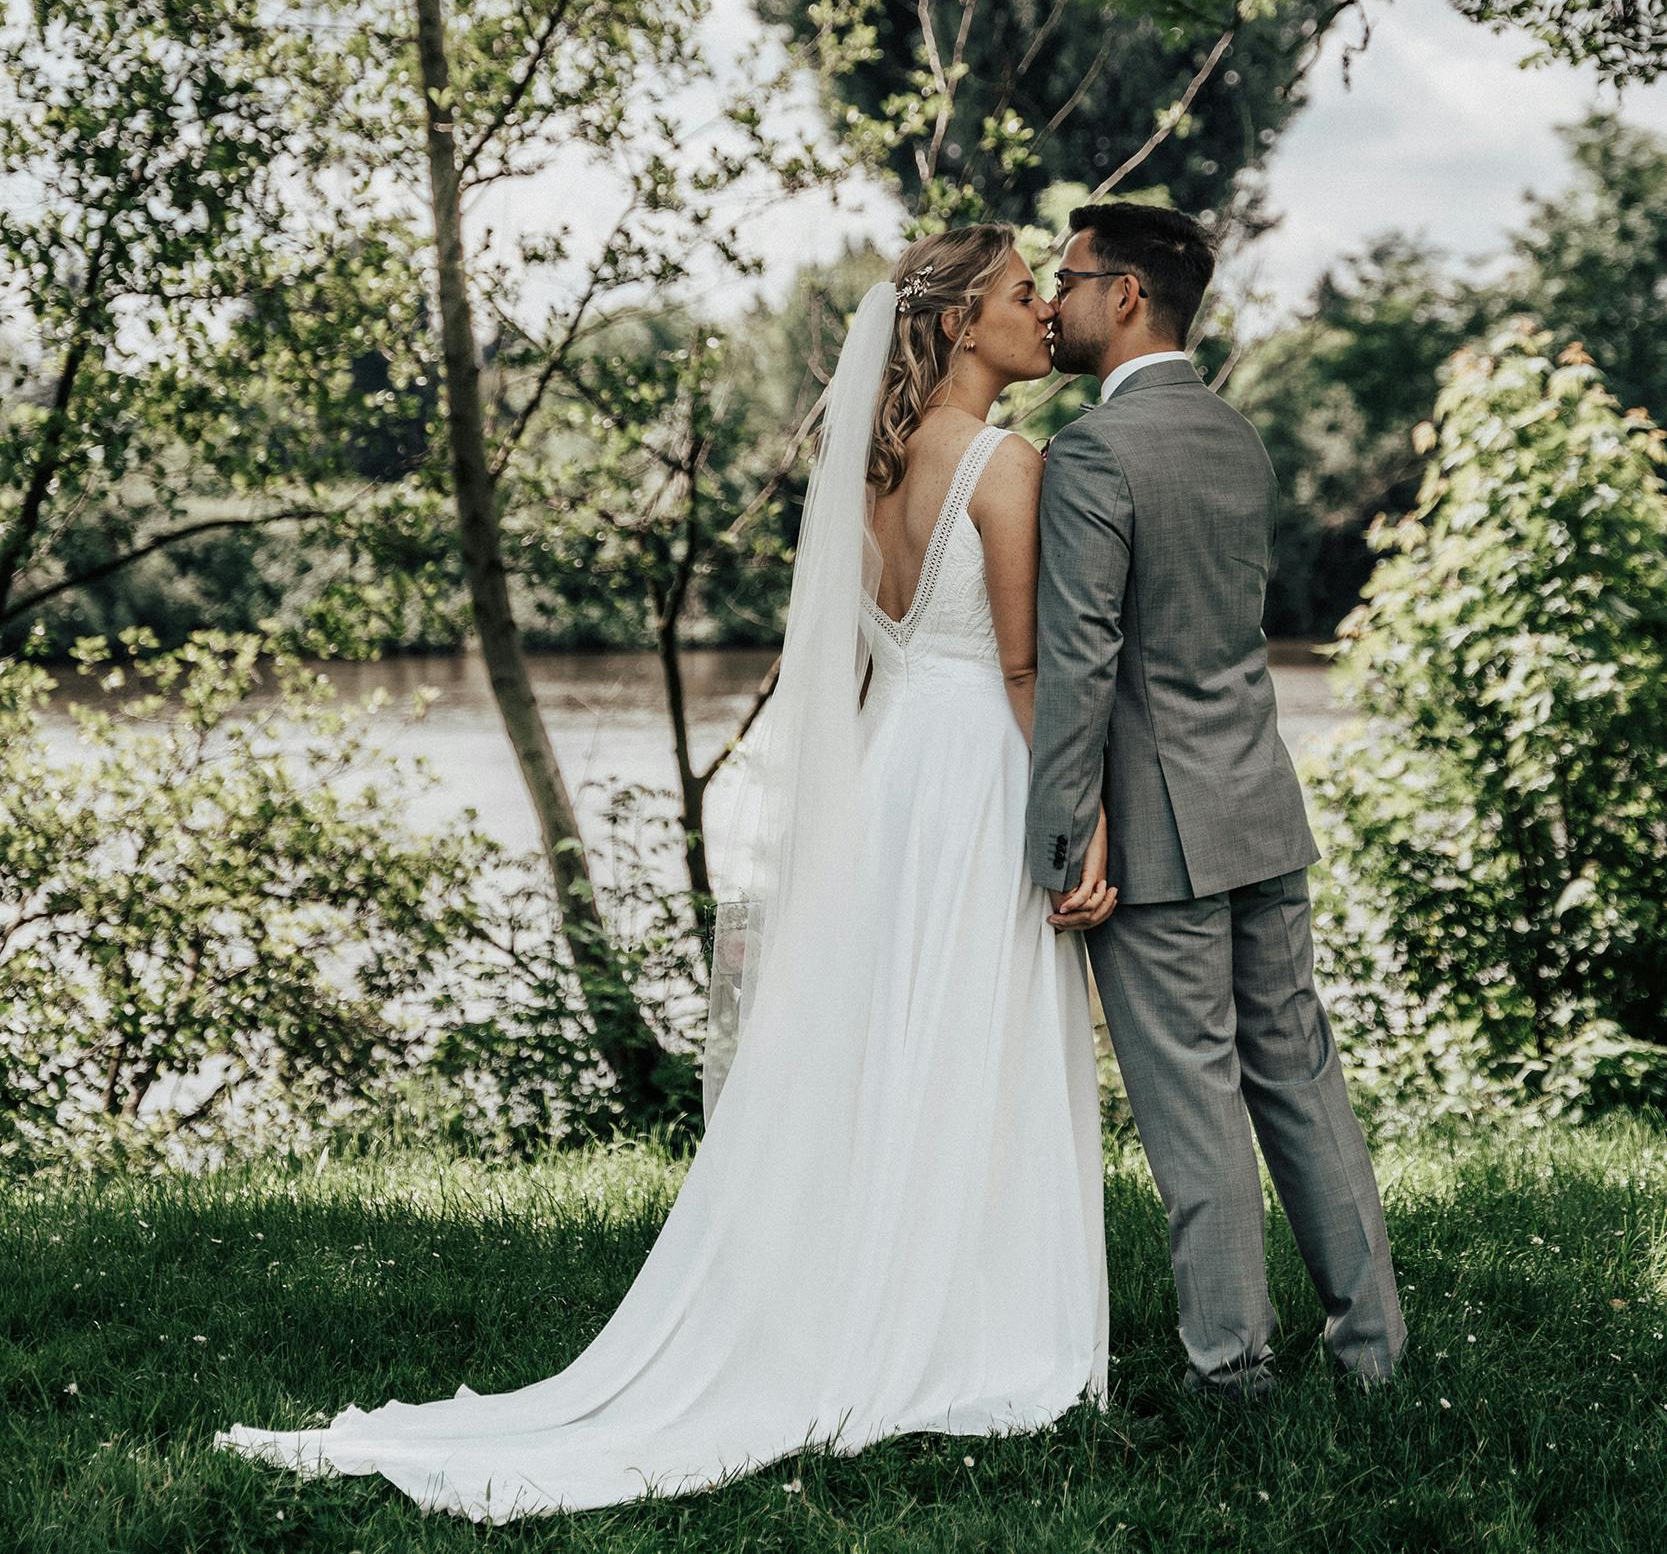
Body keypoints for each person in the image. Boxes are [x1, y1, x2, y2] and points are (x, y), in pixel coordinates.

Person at [218, 226, 1111, 1521]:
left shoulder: (863, 477)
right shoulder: (1007, 466)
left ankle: (893, 1288)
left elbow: (870, 656)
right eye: (1021, 295)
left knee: (897, 1043)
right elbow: (1026, 670)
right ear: (963, 324)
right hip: (979, 765)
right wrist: (1071, 822)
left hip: (898, 772)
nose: (1040, 312)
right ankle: (967, 1324)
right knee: (972, 1033)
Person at [1028, 200, 1405, 1400]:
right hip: (1256, 804)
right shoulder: (1236, 435)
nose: (1054, 299)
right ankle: (1372, 1352)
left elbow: (1081, 657)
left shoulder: (1093, 454)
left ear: (1126, 292)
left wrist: (1057, 837)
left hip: (1157, 836)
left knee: (1193, 1104)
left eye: (1070, 276)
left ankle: (1231, 1373)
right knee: (1299, 1078)